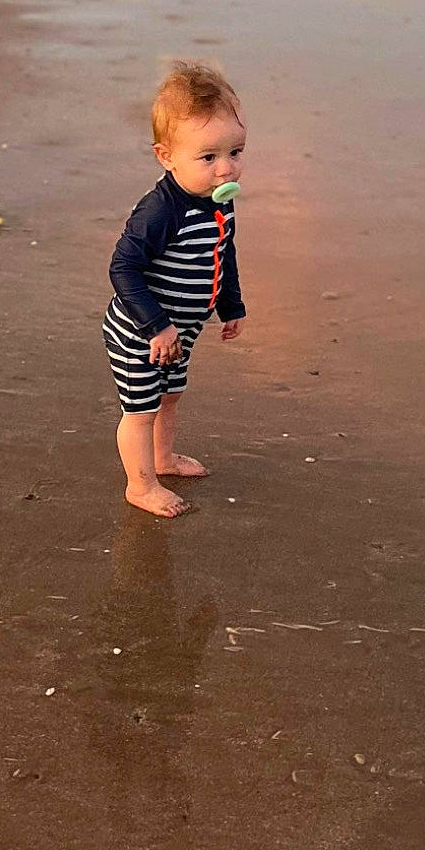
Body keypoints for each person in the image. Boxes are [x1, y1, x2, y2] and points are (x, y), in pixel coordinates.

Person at [104, 61, 247, 517]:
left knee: (170, 397)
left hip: (181, 331)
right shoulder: (161, 212)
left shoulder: (217, 205)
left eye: (235, 152)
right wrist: (156, 326)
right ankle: (140, 485)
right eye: (208, 158)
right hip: (140, 332)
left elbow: (222, 254)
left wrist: (231, 306)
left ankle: (163, 459)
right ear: (166, 156)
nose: (226, 169)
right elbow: (123, 268)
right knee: (141, 409)